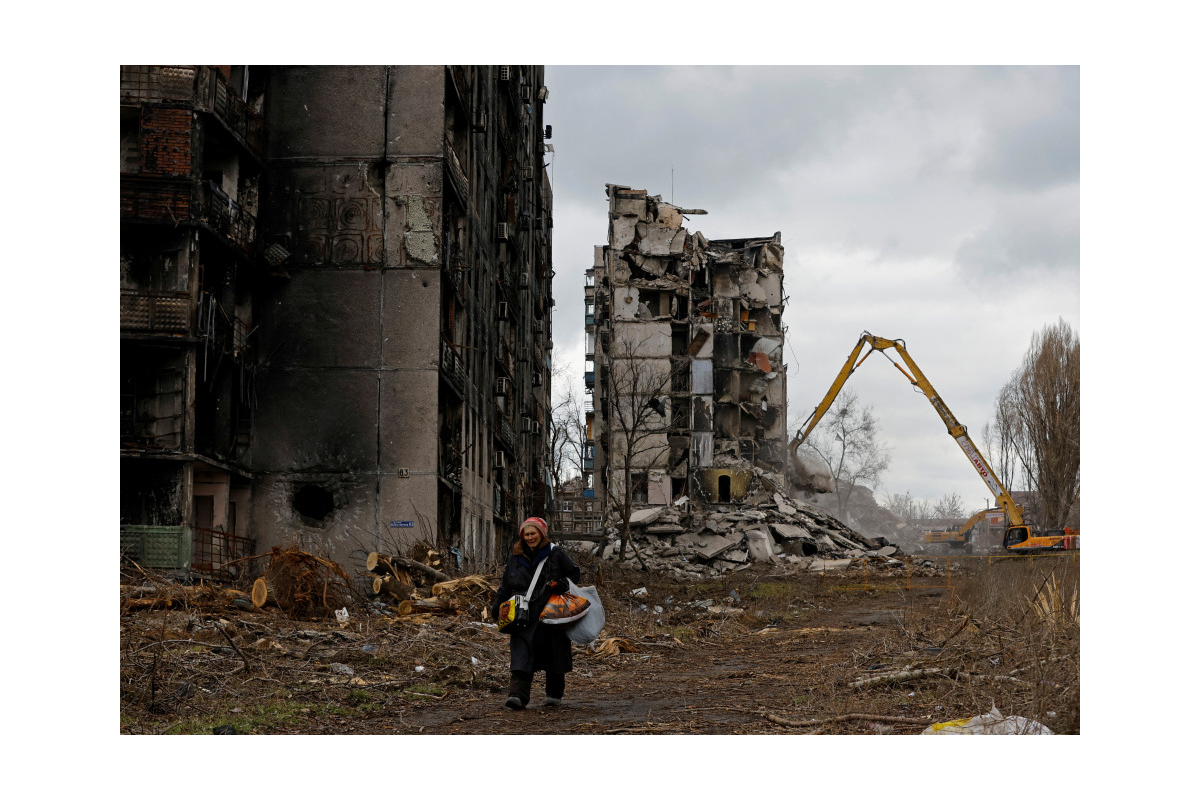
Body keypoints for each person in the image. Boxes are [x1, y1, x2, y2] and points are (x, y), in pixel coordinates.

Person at [491, 516, 581, 710]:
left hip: (551, 612)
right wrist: (497, 606)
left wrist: (561, 584)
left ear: (542, 534)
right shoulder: (515, 556)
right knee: (521, 653)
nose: (530, 537)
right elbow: (506, 585)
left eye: (533, 533)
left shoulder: (556, 553)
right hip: (522, 614)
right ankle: (517, 696)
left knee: (554, 653)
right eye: (526, 533)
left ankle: (554, 695)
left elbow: (574, 574)